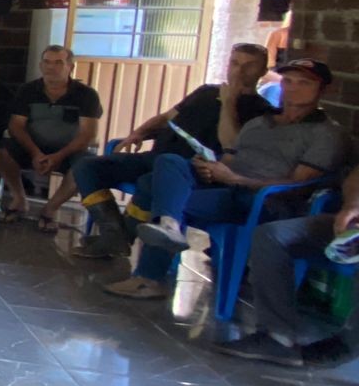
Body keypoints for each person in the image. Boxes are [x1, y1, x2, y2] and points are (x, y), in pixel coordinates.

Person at [107, 58, 348, 300]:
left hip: (260, 202)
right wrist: (213, 168)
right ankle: (167, 227)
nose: (293, 88)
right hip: (226, 187)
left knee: (155, 189)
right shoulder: (260, 122)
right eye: (288, 81)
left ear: (322, 90)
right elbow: (231, 157)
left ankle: (148, 276)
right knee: (169, 162)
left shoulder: (326, 134)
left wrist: (235, 179)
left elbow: (296, 185)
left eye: (304, 83)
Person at [70, 43, 272, 258]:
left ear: (263, 72)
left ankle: (120, 238)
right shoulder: (206, 92)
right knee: (86, 166)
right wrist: (138, 133)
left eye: (249, 66)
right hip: (156, 156)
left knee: (150, 181)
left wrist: (229, 102)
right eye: (235, 63)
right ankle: (114, 235)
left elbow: (231, 143)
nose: (239, 71)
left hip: (190, 171)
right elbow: (167, 117)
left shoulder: (262, 111)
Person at [213, 163, 359, 367]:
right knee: (272, 237)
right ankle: (277, 337)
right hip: (351, 228)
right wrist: (353, 205)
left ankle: (348, 344)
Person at [0, 45, 102, 232]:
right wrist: (36, 153)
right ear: (40, 65)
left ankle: (50, 209)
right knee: (2, 151)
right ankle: (19, 200)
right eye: (46, 62)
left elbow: (87, 135)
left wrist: (58, 156)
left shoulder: (86, 95)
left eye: (58, 63)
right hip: (33, 148)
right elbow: (16, 126)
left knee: (85, 166)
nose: (51, 67)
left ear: (70, 66)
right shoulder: (27, 90)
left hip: (69, 151)